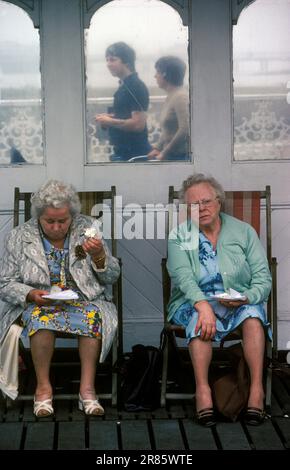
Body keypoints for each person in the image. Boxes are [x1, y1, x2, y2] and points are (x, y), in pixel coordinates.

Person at [0, 180, 120, 417]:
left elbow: (112, 277)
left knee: (92, 317)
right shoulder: (18, 237)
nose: (56, 227)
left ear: (72, 216)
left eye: (62, 221)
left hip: (85, 300)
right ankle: (43, 389)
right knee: (40, 320)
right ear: (38, 217)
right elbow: (4, 283)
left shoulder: (88, 229)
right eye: (50, 221)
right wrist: (30, 293)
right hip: (38, 303)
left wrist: (99, 256)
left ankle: (87, 390)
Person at [167, 173, 272, 426]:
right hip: (193, 302)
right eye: (193, 204)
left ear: (219, 201)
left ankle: (256, 389)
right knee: (199, 320)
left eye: (206, 201)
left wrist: (247, 297)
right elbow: (182, 277)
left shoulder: (243, 232)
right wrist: (203, 305)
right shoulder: (180, 235)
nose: (201, 208)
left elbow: (263, 279)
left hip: (238, 302)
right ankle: (203, 391)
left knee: (254, 318)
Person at [95, 42, 151, 161]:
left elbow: (138, 124)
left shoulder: (135, 86)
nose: (108, 64)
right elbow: (127, 115)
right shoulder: (125, 85)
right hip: (123, 153)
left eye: (112, 60)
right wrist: (109, 118)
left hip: (133, 155)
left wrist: (110, 121)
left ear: (126, 62)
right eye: (107, 60)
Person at [147, 56, 189, 161]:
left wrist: (165, 152)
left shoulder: (181, 97)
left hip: (180, 157)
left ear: (165, 74)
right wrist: (158, 147)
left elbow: (185, 129)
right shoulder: (171, 95)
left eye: (157, 72)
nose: (155, 76)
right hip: (171, 155)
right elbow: (168, 130)